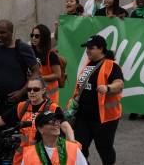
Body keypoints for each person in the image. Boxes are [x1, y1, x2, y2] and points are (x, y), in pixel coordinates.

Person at [0, 76, 74, 165]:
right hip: (22, 156)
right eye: (29, 89)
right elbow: (1, 119)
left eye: (36, 89)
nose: (32, 92)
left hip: (43, 155)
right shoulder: (22, 107)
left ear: (43, 90)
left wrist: (72, 143)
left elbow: (65, 126)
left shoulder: (52, 108)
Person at [67, 35, 123, 165]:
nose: (87, 51)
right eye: (86, 48)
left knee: (104, 149)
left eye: (91, 48)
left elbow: (119, 84)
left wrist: (108, 88)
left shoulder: (111, 65)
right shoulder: (88, 64)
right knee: (79, 147)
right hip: (83, 117)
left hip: (104, 119)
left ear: (101, 49)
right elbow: (80, 88)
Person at [0, 20, 39, 118]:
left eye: (2, 32)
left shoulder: (22, 48)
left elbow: (36, 71)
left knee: (17, 131)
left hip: (17, 103)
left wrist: (22, 92)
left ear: (11, 33)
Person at [21, 110, 87, 165]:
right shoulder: (29, 154)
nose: (57, 124)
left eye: (58, 121)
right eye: (52, 122)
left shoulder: (73, 149)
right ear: (40, 129)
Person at [29, 25, 62, 106]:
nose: (33, 38)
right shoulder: (30, 52)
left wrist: (40, 78)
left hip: (49, 98)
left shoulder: (51, 55)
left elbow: (58, 75)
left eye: (37, 36)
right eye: (32, 35)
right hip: (34, 95)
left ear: (44, 37)